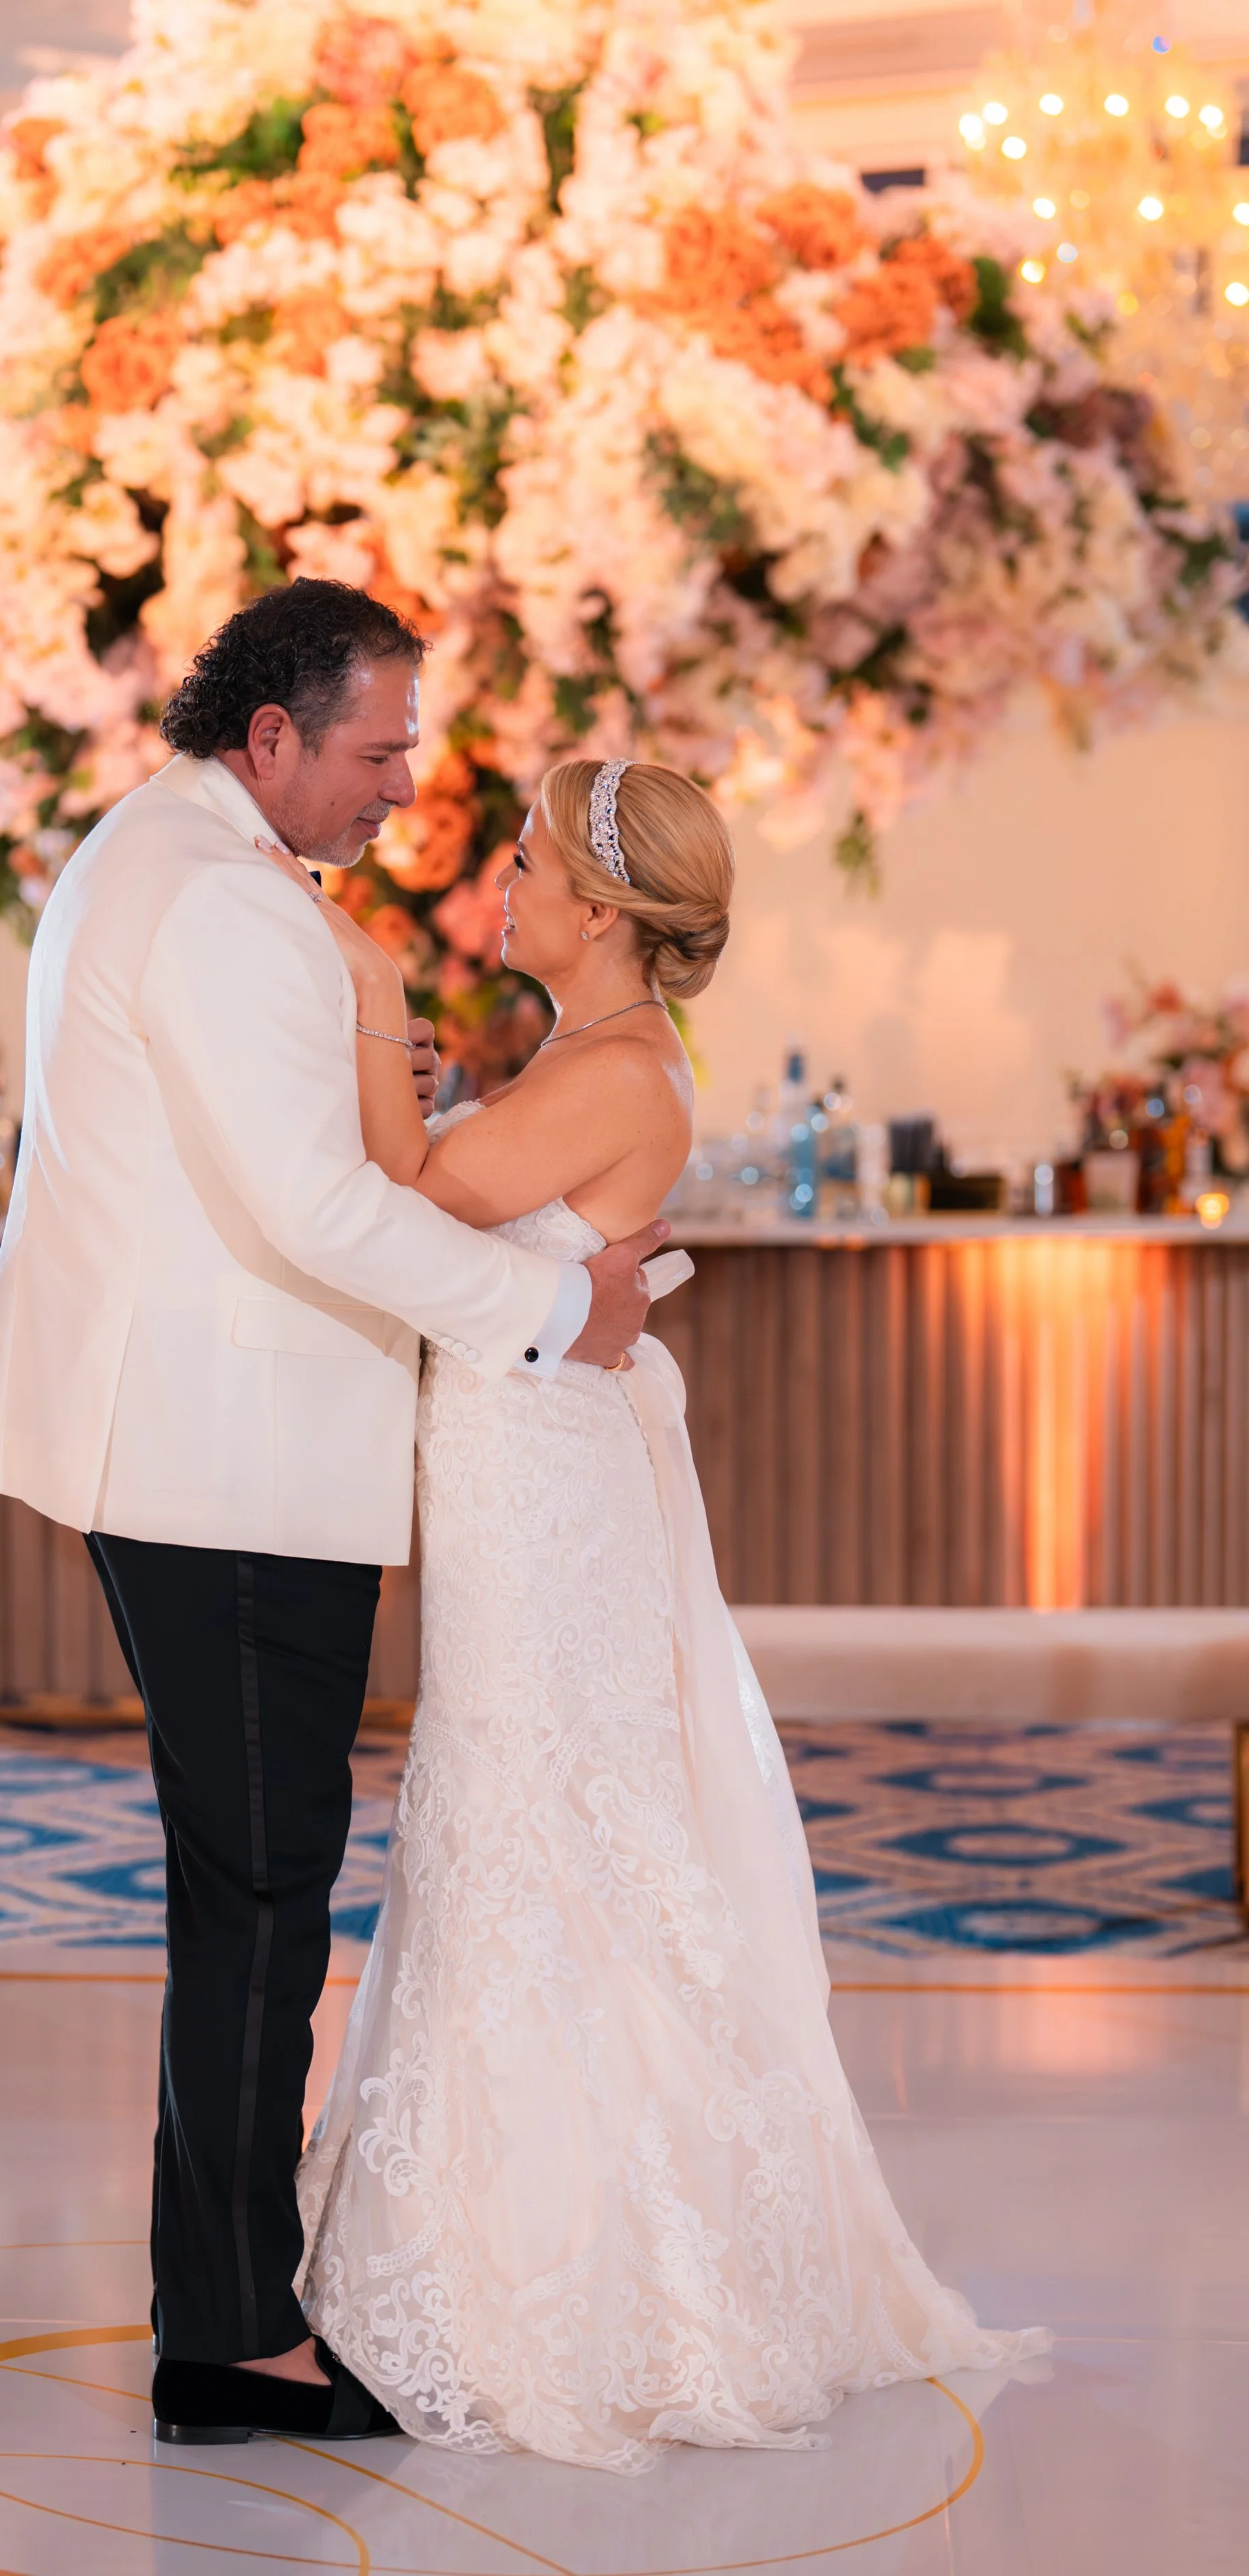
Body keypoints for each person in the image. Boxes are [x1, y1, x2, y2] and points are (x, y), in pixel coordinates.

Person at [0, 582, 667, 2446]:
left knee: (245, 1878)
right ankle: (237, 2338)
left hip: (219, 1446)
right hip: (231, 1457)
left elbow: (282, 1158)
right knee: (266, 1884)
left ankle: (226, 2305)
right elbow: (314, 1217)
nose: (400, 788)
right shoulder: (220, 900)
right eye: (374, 751)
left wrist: (379, 1080)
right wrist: (552, 1316)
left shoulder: (180, 861)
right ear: (267, 736)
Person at [295, 755, 1051, 2472]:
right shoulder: (586, 1057)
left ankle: (579, 2269)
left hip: (539, 1480)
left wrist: (368, 991)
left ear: (602, 907)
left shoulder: (618, 1068)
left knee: (541, 1808)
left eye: (527, 855)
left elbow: (407, 1200)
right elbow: (469, 1201)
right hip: (525, 1452)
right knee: (519, 1806)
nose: (501, 875)